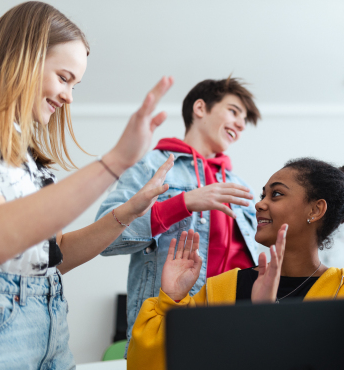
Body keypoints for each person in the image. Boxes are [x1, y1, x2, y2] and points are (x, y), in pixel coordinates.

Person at [0, 1, 176, 368]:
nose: (69, 97)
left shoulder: (31, 164)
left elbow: (56, 257)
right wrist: (115, 160)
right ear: (22, 60)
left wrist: (127, 212)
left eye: (75, 84)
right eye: (63, 78)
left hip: (52, 321)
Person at [126, 158, 344, 370]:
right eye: (262, 195)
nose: (259, 204)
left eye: (276, 194)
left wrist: (264, 322)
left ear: (316, 209)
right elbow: (147, 364)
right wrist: (170, 299)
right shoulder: (222, 288)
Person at [95, 77, 261, 346]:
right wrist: (181, 203)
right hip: (170, 330)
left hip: (239, 334)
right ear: (200, 108)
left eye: (244, 120)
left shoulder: (241, 187)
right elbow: (105, 239)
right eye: (233, 111)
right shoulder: (152, 166)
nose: (241, 125)